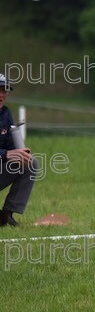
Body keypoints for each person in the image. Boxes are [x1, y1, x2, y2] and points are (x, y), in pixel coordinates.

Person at [0, 72, 38, 227]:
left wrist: (20, 152)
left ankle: (6, 216)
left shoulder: (5, 114)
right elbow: (7, 152)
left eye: (5, 90)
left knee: (30, 163)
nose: (2, 94)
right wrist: (6, 154)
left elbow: (10, 145)